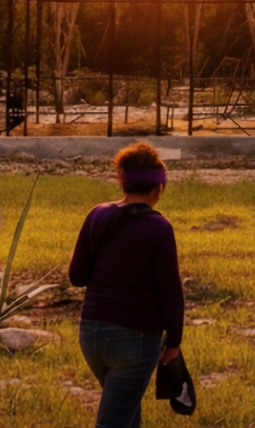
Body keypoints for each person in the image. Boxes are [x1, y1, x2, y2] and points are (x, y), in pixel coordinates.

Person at [68, 142, 184, 428]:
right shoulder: (159, 228)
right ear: (159, 188)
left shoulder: (97, 214)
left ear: (122, 181)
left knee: (126, 412)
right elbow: (170, 291)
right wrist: (174, 342)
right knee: (115, 421)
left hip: (91, 334)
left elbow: (77, 276)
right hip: (135, 340)